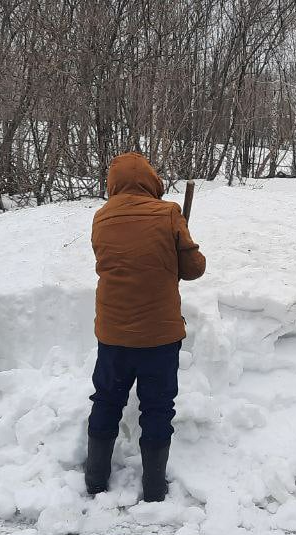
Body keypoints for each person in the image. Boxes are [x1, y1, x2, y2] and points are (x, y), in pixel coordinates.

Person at [83, 152, 206, 503]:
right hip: (159, 335)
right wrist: (179, 245)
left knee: (106, 400)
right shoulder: (169, 213)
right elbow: (193, 268)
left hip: (113, 334)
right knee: (157, 407)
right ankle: (154, 489)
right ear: (151, 180)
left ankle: (95, 480)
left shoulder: (101, 217)